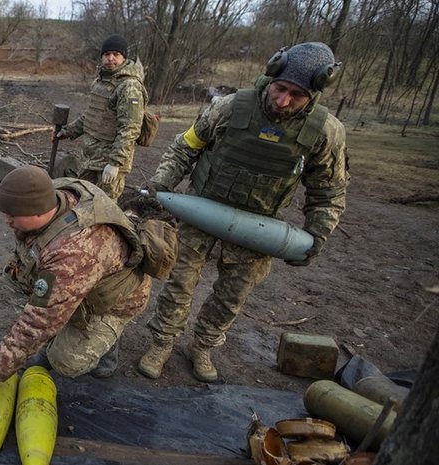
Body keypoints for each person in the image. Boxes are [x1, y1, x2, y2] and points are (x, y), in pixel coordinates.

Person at [136, 42, 349, 382]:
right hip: (201, 211)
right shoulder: (230, 107)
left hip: (259, 228)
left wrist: (318, 235)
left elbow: (329, 191)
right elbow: (185, 147)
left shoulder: (324, 132)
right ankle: (162, 342)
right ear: (271, 75)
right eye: (280, 89)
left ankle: (203, 346)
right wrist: (161, 184)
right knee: (179, 282)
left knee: (232, 295)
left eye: (296, 95)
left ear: (315, 94)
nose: (283, 101)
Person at [0, 165, 154, 397]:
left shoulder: (73, 252)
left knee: (66, 361)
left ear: (39, 213)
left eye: (13, 215)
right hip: (81, 280)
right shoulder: (52, 192)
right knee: (15, 278)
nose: (6, 221)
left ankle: (108, 344)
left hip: (115, 300)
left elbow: (39, 321)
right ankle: (69, 316)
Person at [53, 34, 148, 200]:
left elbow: (130, 129)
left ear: (124, 57)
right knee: (81, 200)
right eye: (106, 54)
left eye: (116, 54)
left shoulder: (129, 86)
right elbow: (92, 115)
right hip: (90, 157)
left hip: (109, 163)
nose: (110, 58)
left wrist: (115, 163)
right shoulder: (101, 81)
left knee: (103, 208)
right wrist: (68, 131)